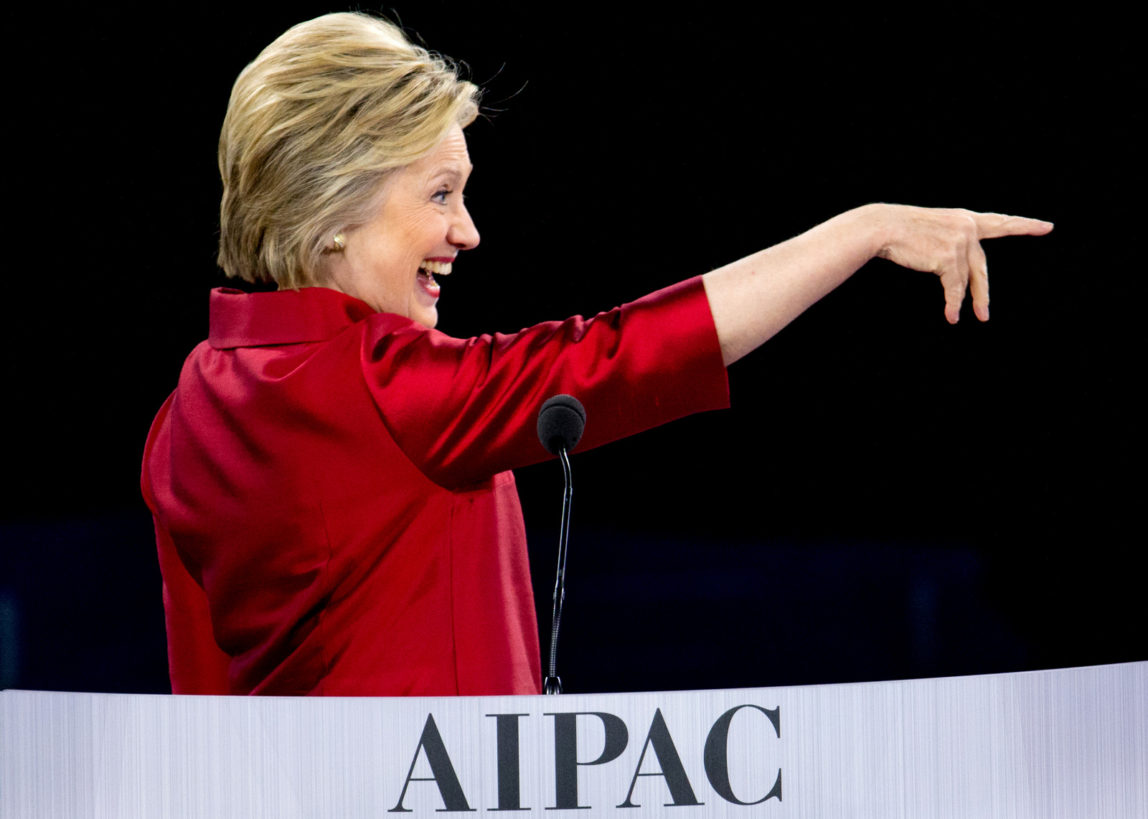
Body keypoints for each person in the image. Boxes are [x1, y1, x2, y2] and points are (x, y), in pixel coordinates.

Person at [141, 12, 1052, 697]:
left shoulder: (183, 418)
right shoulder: (382, 388)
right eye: (440, 192)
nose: (468, 230)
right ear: (334, 208)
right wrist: (862, 231)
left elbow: (205, 719)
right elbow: (619, 356)